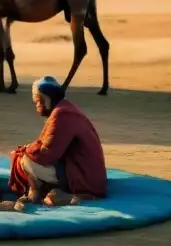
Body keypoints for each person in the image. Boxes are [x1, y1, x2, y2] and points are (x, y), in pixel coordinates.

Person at [10, 76, 107, 211]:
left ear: (46, 99)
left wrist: (26, 150)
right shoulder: (66, 109)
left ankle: (39, 192)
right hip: (86, 173)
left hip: (84, 179)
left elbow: (46, 153)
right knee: (27, 155)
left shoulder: (62, 114)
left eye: (38, 101)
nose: (36, 104)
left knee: (26, 160)